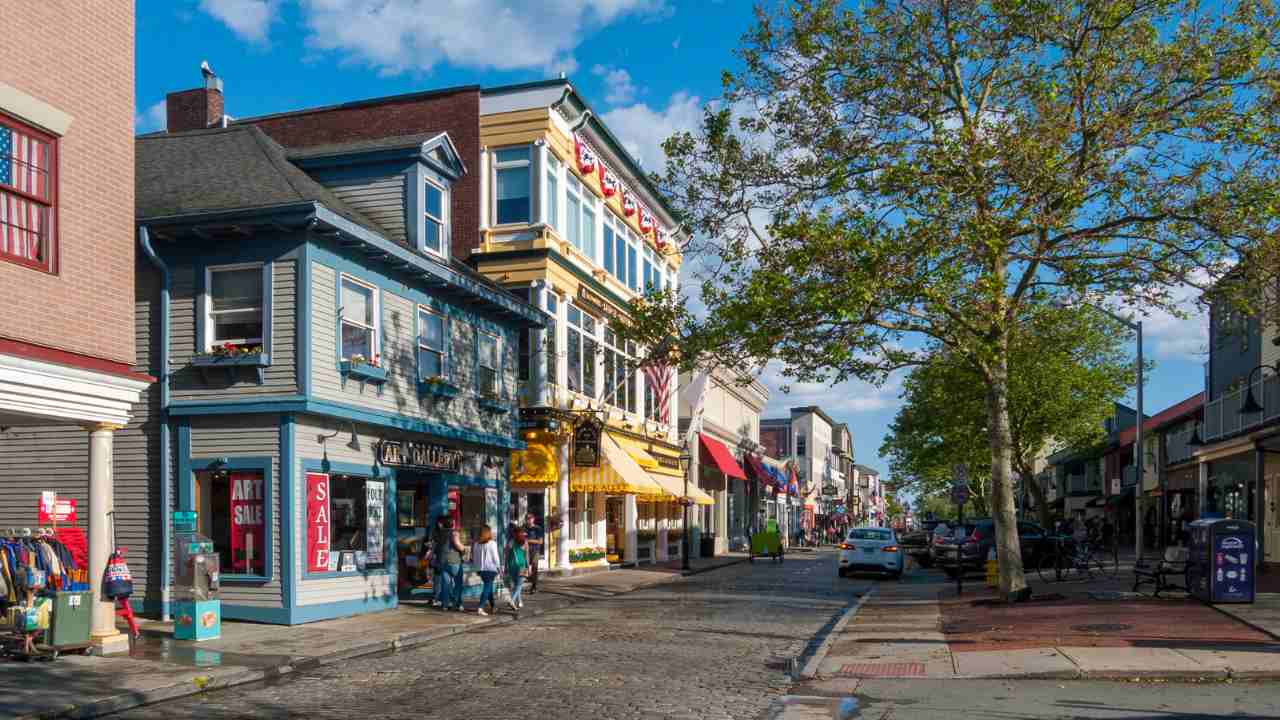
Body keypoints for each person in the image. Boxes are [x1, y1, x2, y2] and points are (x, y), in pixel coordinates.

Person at [433, 516, 466, 611]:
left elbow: (435, 547)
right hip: (454, 561)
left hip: (443, 562)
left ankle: (445, 605)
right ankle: (458, 603)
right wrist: (464, 549)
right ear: (451, 523)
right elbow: (458, 545)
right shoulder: (454, 533)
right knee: (458, 584)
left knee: (445, 584)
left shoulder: (439, 534)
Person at [471, 524, 499, 616]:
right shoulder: (492, 543)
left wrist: (476, 568)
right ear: (488, 533)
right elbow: (495, 557)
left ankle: (493, 605)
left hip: (481, 569)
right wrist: (499, 567)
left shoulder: (476, 544)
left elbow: (474, 558)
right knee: (487, 588)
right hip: (490, 569)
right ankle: (480, 607)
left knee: (489, 587)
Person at [506, 527, 530, 611]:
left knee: (517, 585)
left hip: (511, 566)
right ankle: (512, 600)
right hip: (521, 565)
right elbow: (526, 556)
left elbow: (507, 555)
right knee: (519, 585)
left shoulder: (510, 542)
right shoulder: (525, 542)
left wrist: (506, 566)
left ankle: (519, 602)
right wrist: (528, 566)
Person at [522, 513, 544, 593]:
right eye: (527, 518)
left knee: (534, 567)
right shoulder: (524, 528)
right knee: (524, 567)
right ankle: (520, 585)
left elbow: (540, 541)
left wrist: (528, 540)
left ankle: (534, 586)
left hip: (535, 550)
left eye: (530, 518)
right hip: (525, 550)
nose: (529, 520)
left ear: (533, 519)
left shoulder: (538, 528)